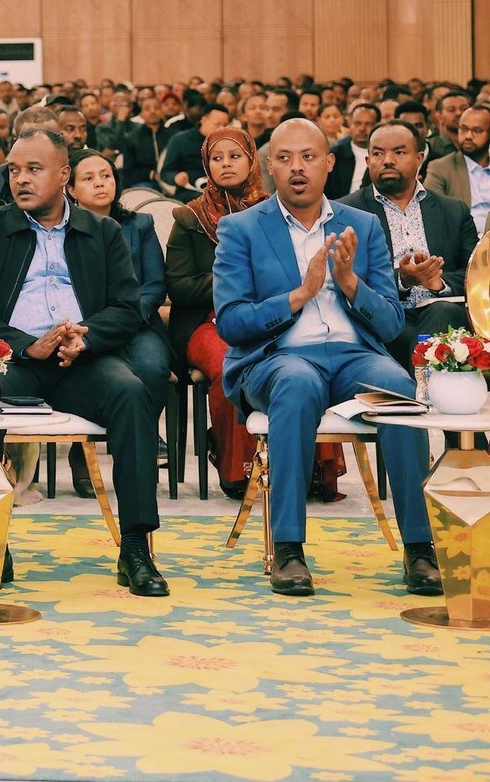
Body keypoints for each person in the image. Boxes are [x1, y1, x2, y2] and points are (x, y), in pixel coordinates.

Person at [213, 118, 439, 597]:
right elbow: (231, 322)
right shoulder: (241, 228)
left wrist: (350, 283)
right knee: (296, 384)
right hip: (279, 358)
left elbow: (391, 324)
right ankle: (289, 549)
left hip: (354, 357)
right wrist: (301, 294)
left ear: (329, 163)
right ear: (269, 165)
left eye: (309, 157)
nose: (297, 168)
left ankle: (420, 549)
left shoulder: (363, 225)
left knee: (399, 387)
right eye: (285, 158)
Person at [0, 129, 168, 596]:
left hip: (80, 360)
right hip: (14, 361)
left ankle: (135, 547)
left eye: (34, 169)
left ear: (64, 174)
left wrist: (86, 338)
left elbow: (126, 308)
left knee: (132, 394)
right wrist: (27, 345)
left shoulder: (102, 232)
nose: (20, 180)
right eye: (13, 170)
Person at [165, 127, 267, 498]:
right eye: (216, 158)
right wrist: (233, 278)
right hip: (207, 323)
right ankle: (238, 468)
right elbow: (179, 287)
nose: (225, 164)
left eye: (235, 156)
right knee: (232, 363)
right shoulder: (190, 217)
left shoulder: (273, 213)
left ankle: (306, 467)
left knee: (298, 356)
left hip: (267, 318)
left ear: (251, 161)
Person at [66, 147, 171, 498]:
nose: (100, 183)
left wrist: (127, 318)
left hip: (138, 324)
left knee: (152, 368)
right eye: (89, 178)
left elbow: (154, 284)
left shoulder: (140, 225)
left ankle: (137, 450)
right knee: (88, 372)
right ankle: (83, 449)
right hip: (86, 327)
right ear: (71, 188)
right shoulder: (64, 229)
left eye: (106, 176)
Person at [343, 120, 478, 366]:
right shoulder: (347, 212)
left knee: (442, 311)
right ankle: (427, 382)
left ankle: (419, 381)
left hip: (443, 312)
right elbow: (346, 277)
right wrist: (401, 280)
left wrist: (439, 283)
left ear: (419, 159)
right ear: (368, 161)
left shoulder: (453, 210)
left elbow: (475, 273)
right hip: (385, 316)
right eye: (378, 153)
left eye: (399, 152)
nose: (388, 160)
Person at [422, 103, 490, 232]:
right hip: (464, 238)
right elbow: (431, 213)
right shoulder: (440, 168)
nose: (468, 136)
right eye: (463, 129)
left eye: (477, 130)